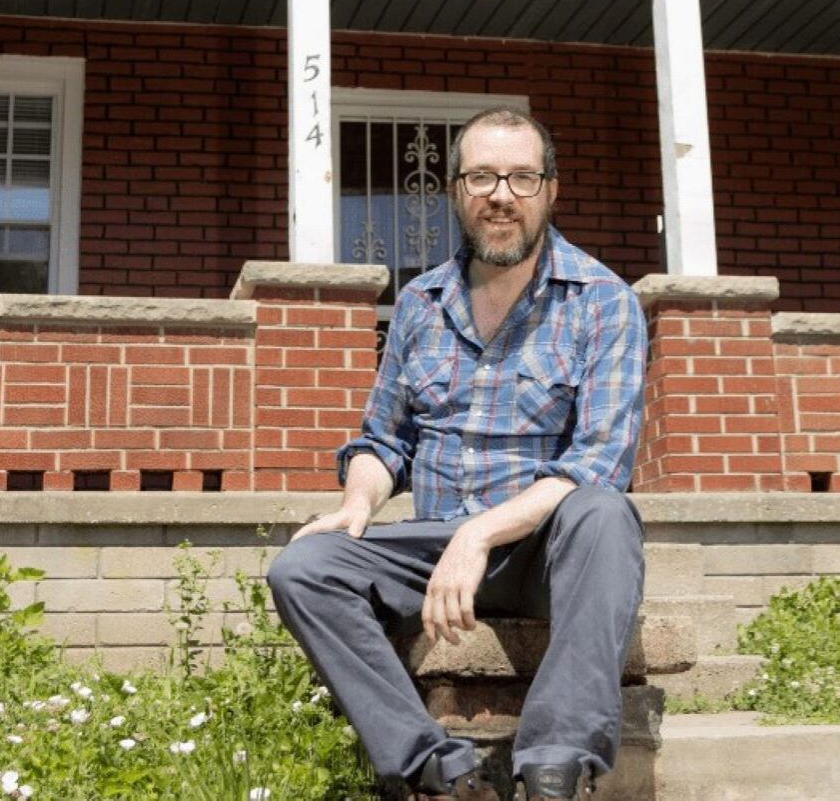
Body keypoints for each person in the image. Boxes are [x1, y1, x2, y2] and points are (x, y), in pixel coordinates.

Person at [267, 107, 648, 801]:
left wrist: (481, 532)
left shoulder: (604, 302)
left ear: (550, 190)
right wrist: (357, 502)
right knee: (304, 565)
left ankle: (553, 766)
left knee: (604, 512)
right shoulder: (420, 302)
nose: (500, 194)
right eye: (480, 176)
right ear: (454, 190)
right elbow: (384, 438)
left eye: (521, 177)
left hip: (540, 547)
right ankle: (433, 770)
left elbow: (597, 459)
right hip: (435, 548)